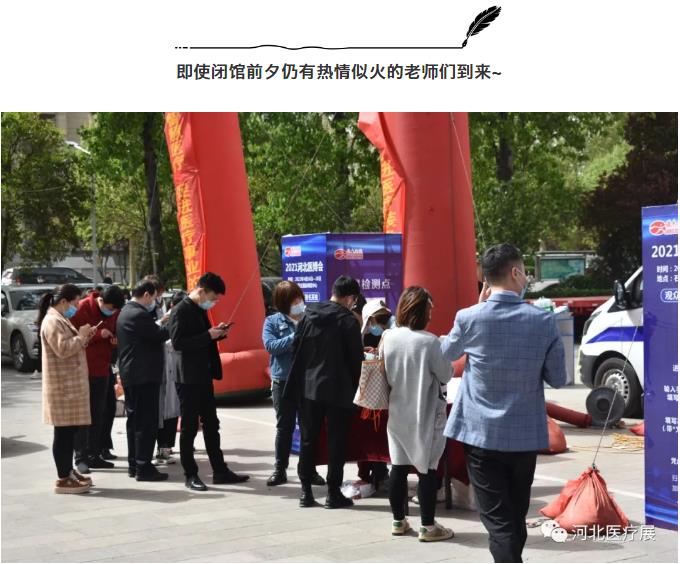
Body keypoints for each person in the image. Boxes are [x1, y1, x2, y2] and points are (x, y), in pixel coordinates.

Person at [441, 243, 568, 563]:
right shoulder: (542, 320)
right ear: (515, 273)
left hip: (479, 434)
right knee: (514, 514)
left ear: (486, 279)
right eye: (524, 271)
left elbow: (446, 354)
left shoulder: (469, 317)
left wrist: (476, 310)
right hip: (524, 435)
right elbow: (558, 378)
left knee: (499, 521)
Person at [283, 275, 364, 509]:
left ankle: (305, 492)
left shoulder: (308, 315)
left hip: (308, 388)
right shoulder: (347, 321)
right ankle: (332, 493)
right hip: (339, 390)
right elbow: (356, 360)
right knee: (336, 442)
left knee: (308, 439)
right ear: (350, 298)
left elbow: (296, 348)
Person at [382, 287, 454, 542]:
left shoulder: (389, 337)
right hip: (426, 414)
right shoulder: (430, 342)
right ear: (422, 311)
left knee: (398, 467)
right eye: (430, 309)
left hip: (397, 411)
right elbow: (446, 374)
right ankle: (428, 526)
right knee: (427, 469)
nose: (432, 314)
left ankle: (398, 521)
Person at [168, 272, 249, 491]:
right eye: (213, 298)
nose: (214, 302)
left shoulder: (199, 309)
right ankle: (190, 474)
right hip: (187, 378)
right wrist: (208, 336)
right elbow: (178, 343)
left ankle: (220, 470)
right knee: (189, 427)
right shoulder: (180, 310)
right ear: (202, 291)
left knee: (212, 424)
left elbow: (202, 337)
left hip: (203, 375)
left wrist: (217, 333)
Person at [262, 281, 325, 487]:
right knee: (284, 427)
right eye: (293, 300)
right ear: (283, 303)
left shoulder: (310, 319)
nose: (298, 303)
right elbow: (271, 346)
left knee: (309, 428)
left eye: (299, 298)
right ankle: (280, 470)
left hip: (308, 381)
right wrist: (295, 336)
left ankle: (309, 470)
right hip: (283, 381)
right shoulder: (272, 321)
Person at [38, 284, 97, 494]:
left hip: (68, 387)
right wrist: (81, 336)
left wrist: (84, 337)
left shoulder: (60, 318)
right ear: (64, 301)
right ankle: (63, 478)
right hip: (62, 388)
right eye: (75, 302)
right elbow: (62, 349)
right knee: (63, 434)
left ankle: (68, 472)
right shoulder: (52, 321)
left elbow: (70, 345)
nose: (76, 307)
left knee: (69, 433)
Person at [116, 280, 170, 481]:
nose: (155, 302)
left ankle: (135, 464)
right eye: (155, 297)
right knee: (145, 423)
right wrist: (174, 321)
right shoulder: (138, 314)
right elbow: (158, 335)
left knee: (134, 422)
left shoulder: (126, 311)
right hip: (143, 376)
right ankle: (143, 467)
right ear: (147, 295)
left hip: (133, 375)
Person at [71, 285, 125, 474]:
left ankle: (94, 454)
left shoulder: (114, 311)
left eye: (115, 310)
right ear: (101, 300)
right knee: (83, 416)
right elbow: (73, 336)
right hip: (83, 369)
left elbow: (116, 331)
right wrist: (97, 335)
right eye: (110, 308)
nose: (112, 312)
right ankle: (81, 457)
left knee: (98, 413)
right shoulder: (82, 308)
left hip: (103, 369)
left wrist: (114, 340)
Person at [356, 299, 393, 487]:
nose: (371, 328)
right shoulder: (377, 333)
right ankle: (373, 473)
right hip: (376, 398)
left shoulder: (391, 333)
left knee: (380, 437)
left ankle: (381, 473)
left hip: (384, 397)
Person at [156, 290, 186, 464]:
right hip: (164, 371)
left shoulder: (183, 318)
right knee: (163, 413)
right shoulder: (164, 319)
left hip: (176, 371)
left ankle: (166, 448)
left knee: (173, 412)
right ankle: (161, 448)